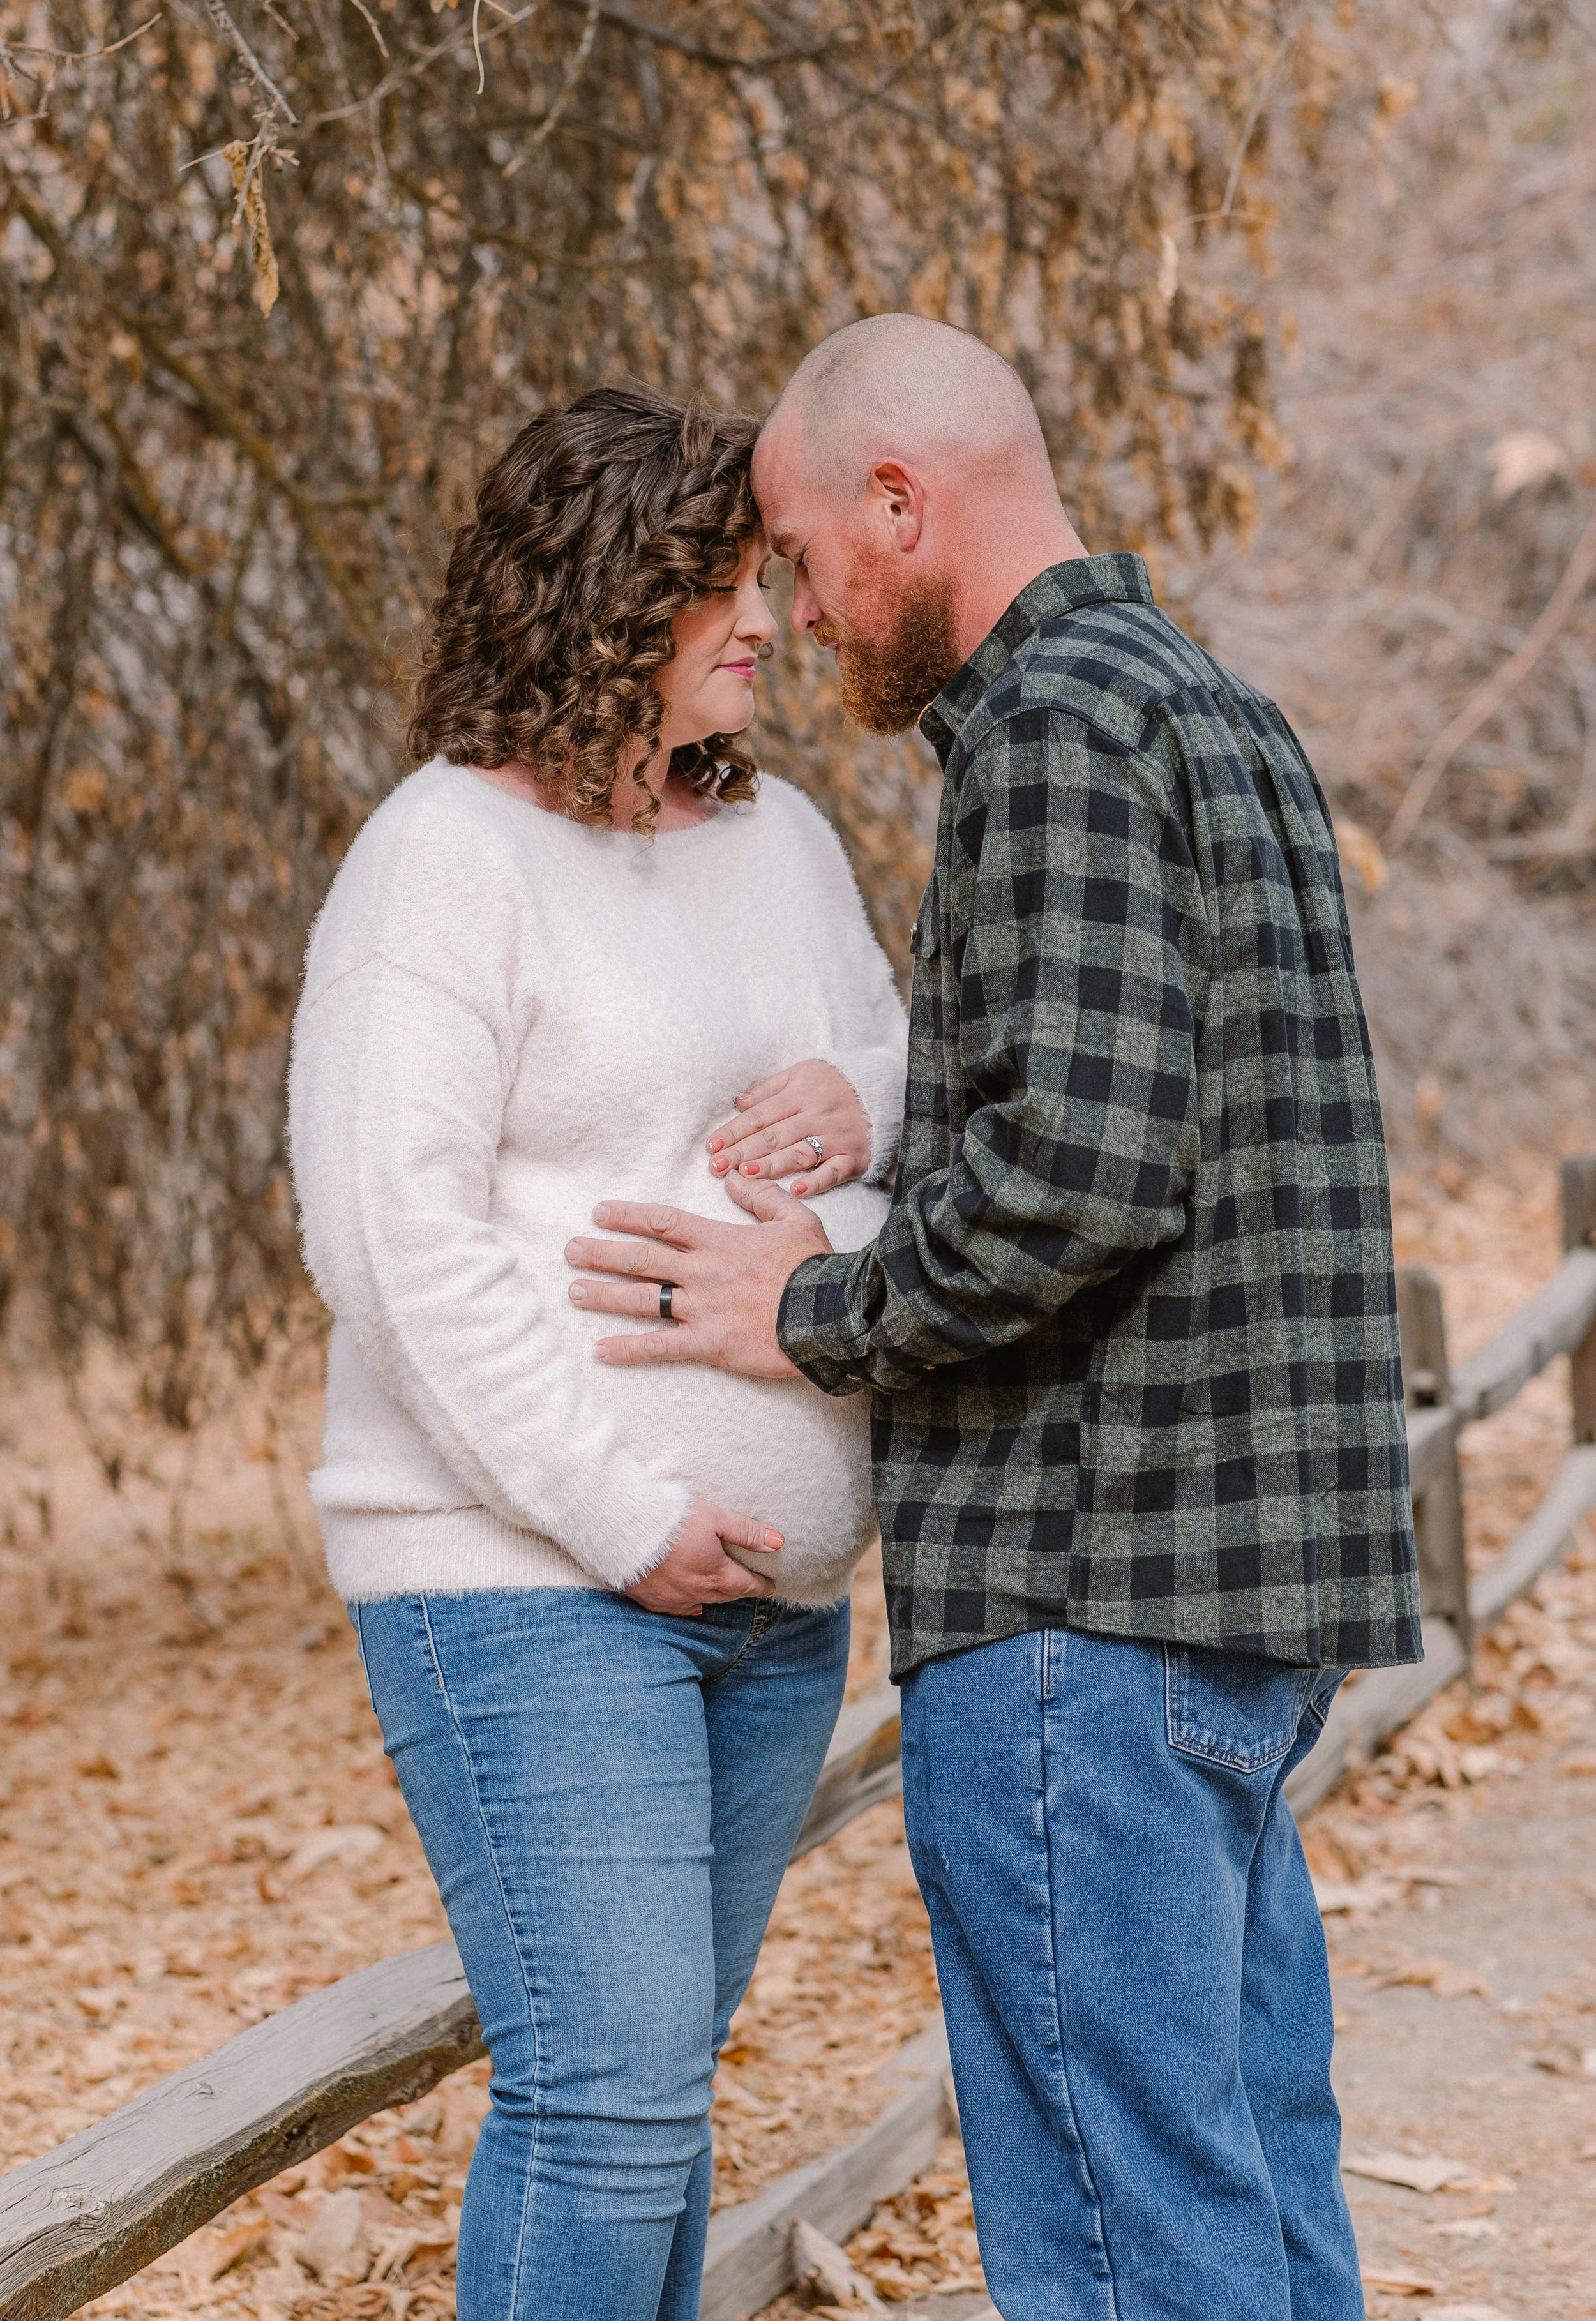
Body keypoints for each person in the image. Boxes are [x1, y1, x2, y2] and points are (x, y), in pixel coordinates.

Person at [564, 317, 1422, 2321]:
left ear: (900, 502)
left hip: (1080, 1594)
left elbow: (1080, 1175)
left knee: (1128, 2229)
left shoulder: (1051, 736)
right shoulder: (1205, 707)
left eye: (797, 549)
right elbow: (1157, 1121)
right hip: (1227, 1597)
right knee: (1246, 2173)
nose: (796, 601)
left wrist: (815, 1311)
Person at [287, 384, 908, 2321]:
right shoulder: (444, 859)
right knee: (606, 2101)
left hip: (773, 1600)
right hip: (536, 1582)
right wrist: (624, 1507)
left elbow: (900, 1094)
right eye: (720, 581)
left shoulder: (780, 837)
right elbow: (394, 1240)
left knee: (653, 2090)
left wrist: (857, 1114)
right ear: (601, 589)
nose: (766, 618)